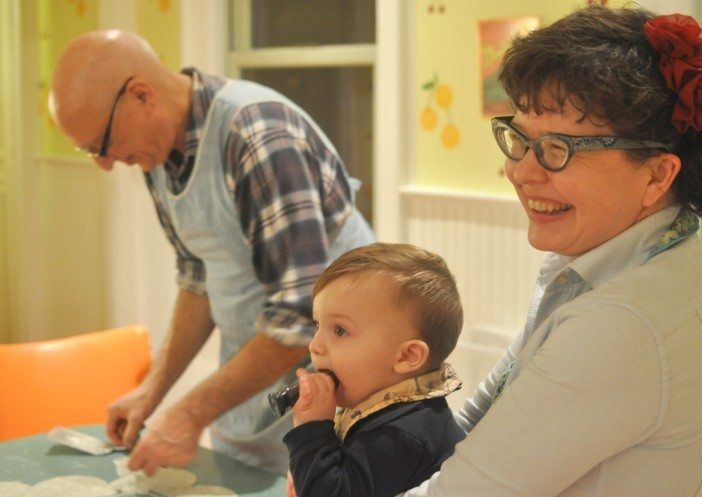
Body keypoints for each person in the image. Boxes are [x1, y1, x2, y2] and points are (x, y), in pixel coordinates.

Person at [399, 6, 702, 497]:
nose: (521, 171)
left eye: (558, 148)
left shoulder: (623, 324)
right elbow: (485, 416)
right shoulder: (628, 259)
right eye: (520, 138)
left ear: (657, 175)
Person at [48, 30, 375, 476]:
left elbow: (299, 319)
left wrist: (188, 413)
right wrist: (152, 391)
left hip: (337, 390)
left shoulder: (257, 137)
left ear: (141, 95)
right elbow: (198, 277)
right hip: (255, 385)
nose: (104, 163)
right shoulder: (157, 152)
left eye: (101, 146)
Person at [283, 243, 465, 497]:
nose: (314, 346)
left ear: (407, 356)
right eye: (317, 324)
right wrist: (308, 473)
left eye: (339, 330)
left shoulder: (402, 434)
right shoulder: (387, 407)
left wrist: (311, 430)